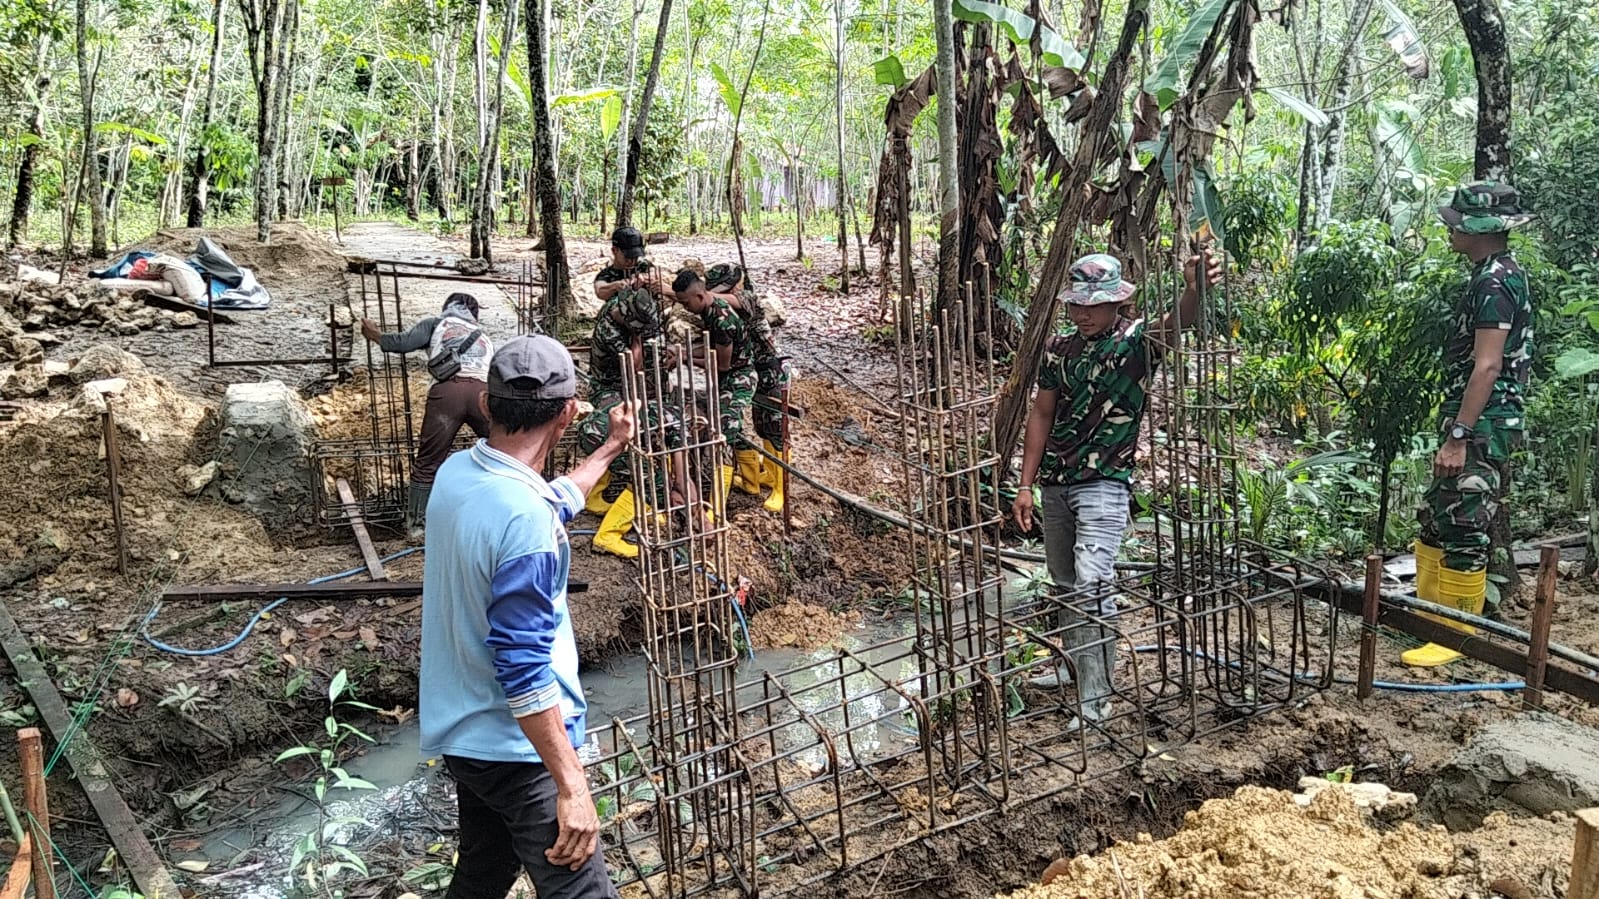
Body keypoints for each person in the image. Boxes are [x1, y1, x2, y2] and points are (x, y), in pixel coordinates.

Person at [420, 334, 636, 898]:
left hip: (464, 733)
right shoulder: (527, 525)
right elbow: (522, 667)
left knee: (483, 875)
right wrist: (571, 785)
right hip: (517, 752)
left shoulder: (460, 475)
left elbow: (548, 498)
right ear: (568, 412)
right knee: (580, 891)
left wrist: (610, 450)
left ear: (486, 405)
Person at [1011, 251, 1221, 725]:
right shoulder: (1059, 350)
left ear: (1117, 304)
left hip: (1104, 484)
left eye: (1095, 304)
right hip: (1058, 481)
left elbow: (1177, 322)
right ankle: (1080, 668)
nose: (1083, 312)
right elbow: (1041, 413)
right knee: (1066, 583)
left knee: (1092, 583)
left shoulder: (1135, 343)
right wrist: (1025, 485)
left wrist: (1193, 290)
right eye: (1077, 305)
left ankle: (1095, 695)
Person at [1401, 181, 1535, 667]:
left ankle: (1455, 636)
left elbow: (1487, 366)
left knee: (1464, 520)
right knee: (1440, 512)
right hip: (1474, 418)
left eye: (1458, 222)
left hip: (1484, 423)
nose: (1450, 229)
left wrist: (1459, 435)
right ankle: (1430, 617)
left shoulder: (1495, 282)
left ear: (1480, 229)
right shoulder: (1494, 274)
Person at [361, 292, 493, 536]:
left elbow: (403, 343)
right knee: (499, 453)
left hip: (447, 395)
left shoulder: (436, 324)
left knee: (428, 461)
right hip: (483, 395)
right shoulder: (484, 335)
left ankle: (417, 526)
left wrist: (375, 335)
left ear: (447, 307)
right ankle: (495, 513)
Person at [577, 284, 670, 558]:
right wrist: (639, 341)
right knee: (651, 477)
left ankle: (596, 498)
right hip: (608, 388)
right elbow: (635, 365)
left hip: (617, 395)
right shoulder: (610, 332)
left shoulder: (621, 305)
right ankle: (609, 534)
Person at [671, 268, 762, 505]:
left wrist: (684, 358)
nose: (684, 308)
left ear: (699, 297)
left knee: (725, 430)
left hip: (738, 377)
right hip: (727, 375)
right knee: (734, 428)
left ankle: (718, 502)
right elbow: (712, 347)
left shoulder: (721, 319)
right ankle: (752, 482)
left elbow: (720, 364)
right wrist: (686, 352)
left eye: (685, 302)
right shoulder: (709, 311)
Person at [705, 263, 790, 512]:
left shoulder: (749, 298)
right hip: (750, 368)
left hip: (771, 369)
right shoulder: (723, 310)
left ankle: (781, 488)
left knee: (776, 429)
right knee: (761, 426)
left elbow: (718, 299)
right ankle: (756, 479)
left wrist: (698, 293)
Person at [594, 226, 658, 302]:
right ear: (614, 250)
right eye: (627, 257)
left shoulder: (643, 265)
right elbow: (600, 290)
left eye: (635, 256)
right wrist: (616, 286)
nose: (632, 261)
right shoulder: (606, 274)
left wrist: (644, 278)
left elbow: (655, 274)